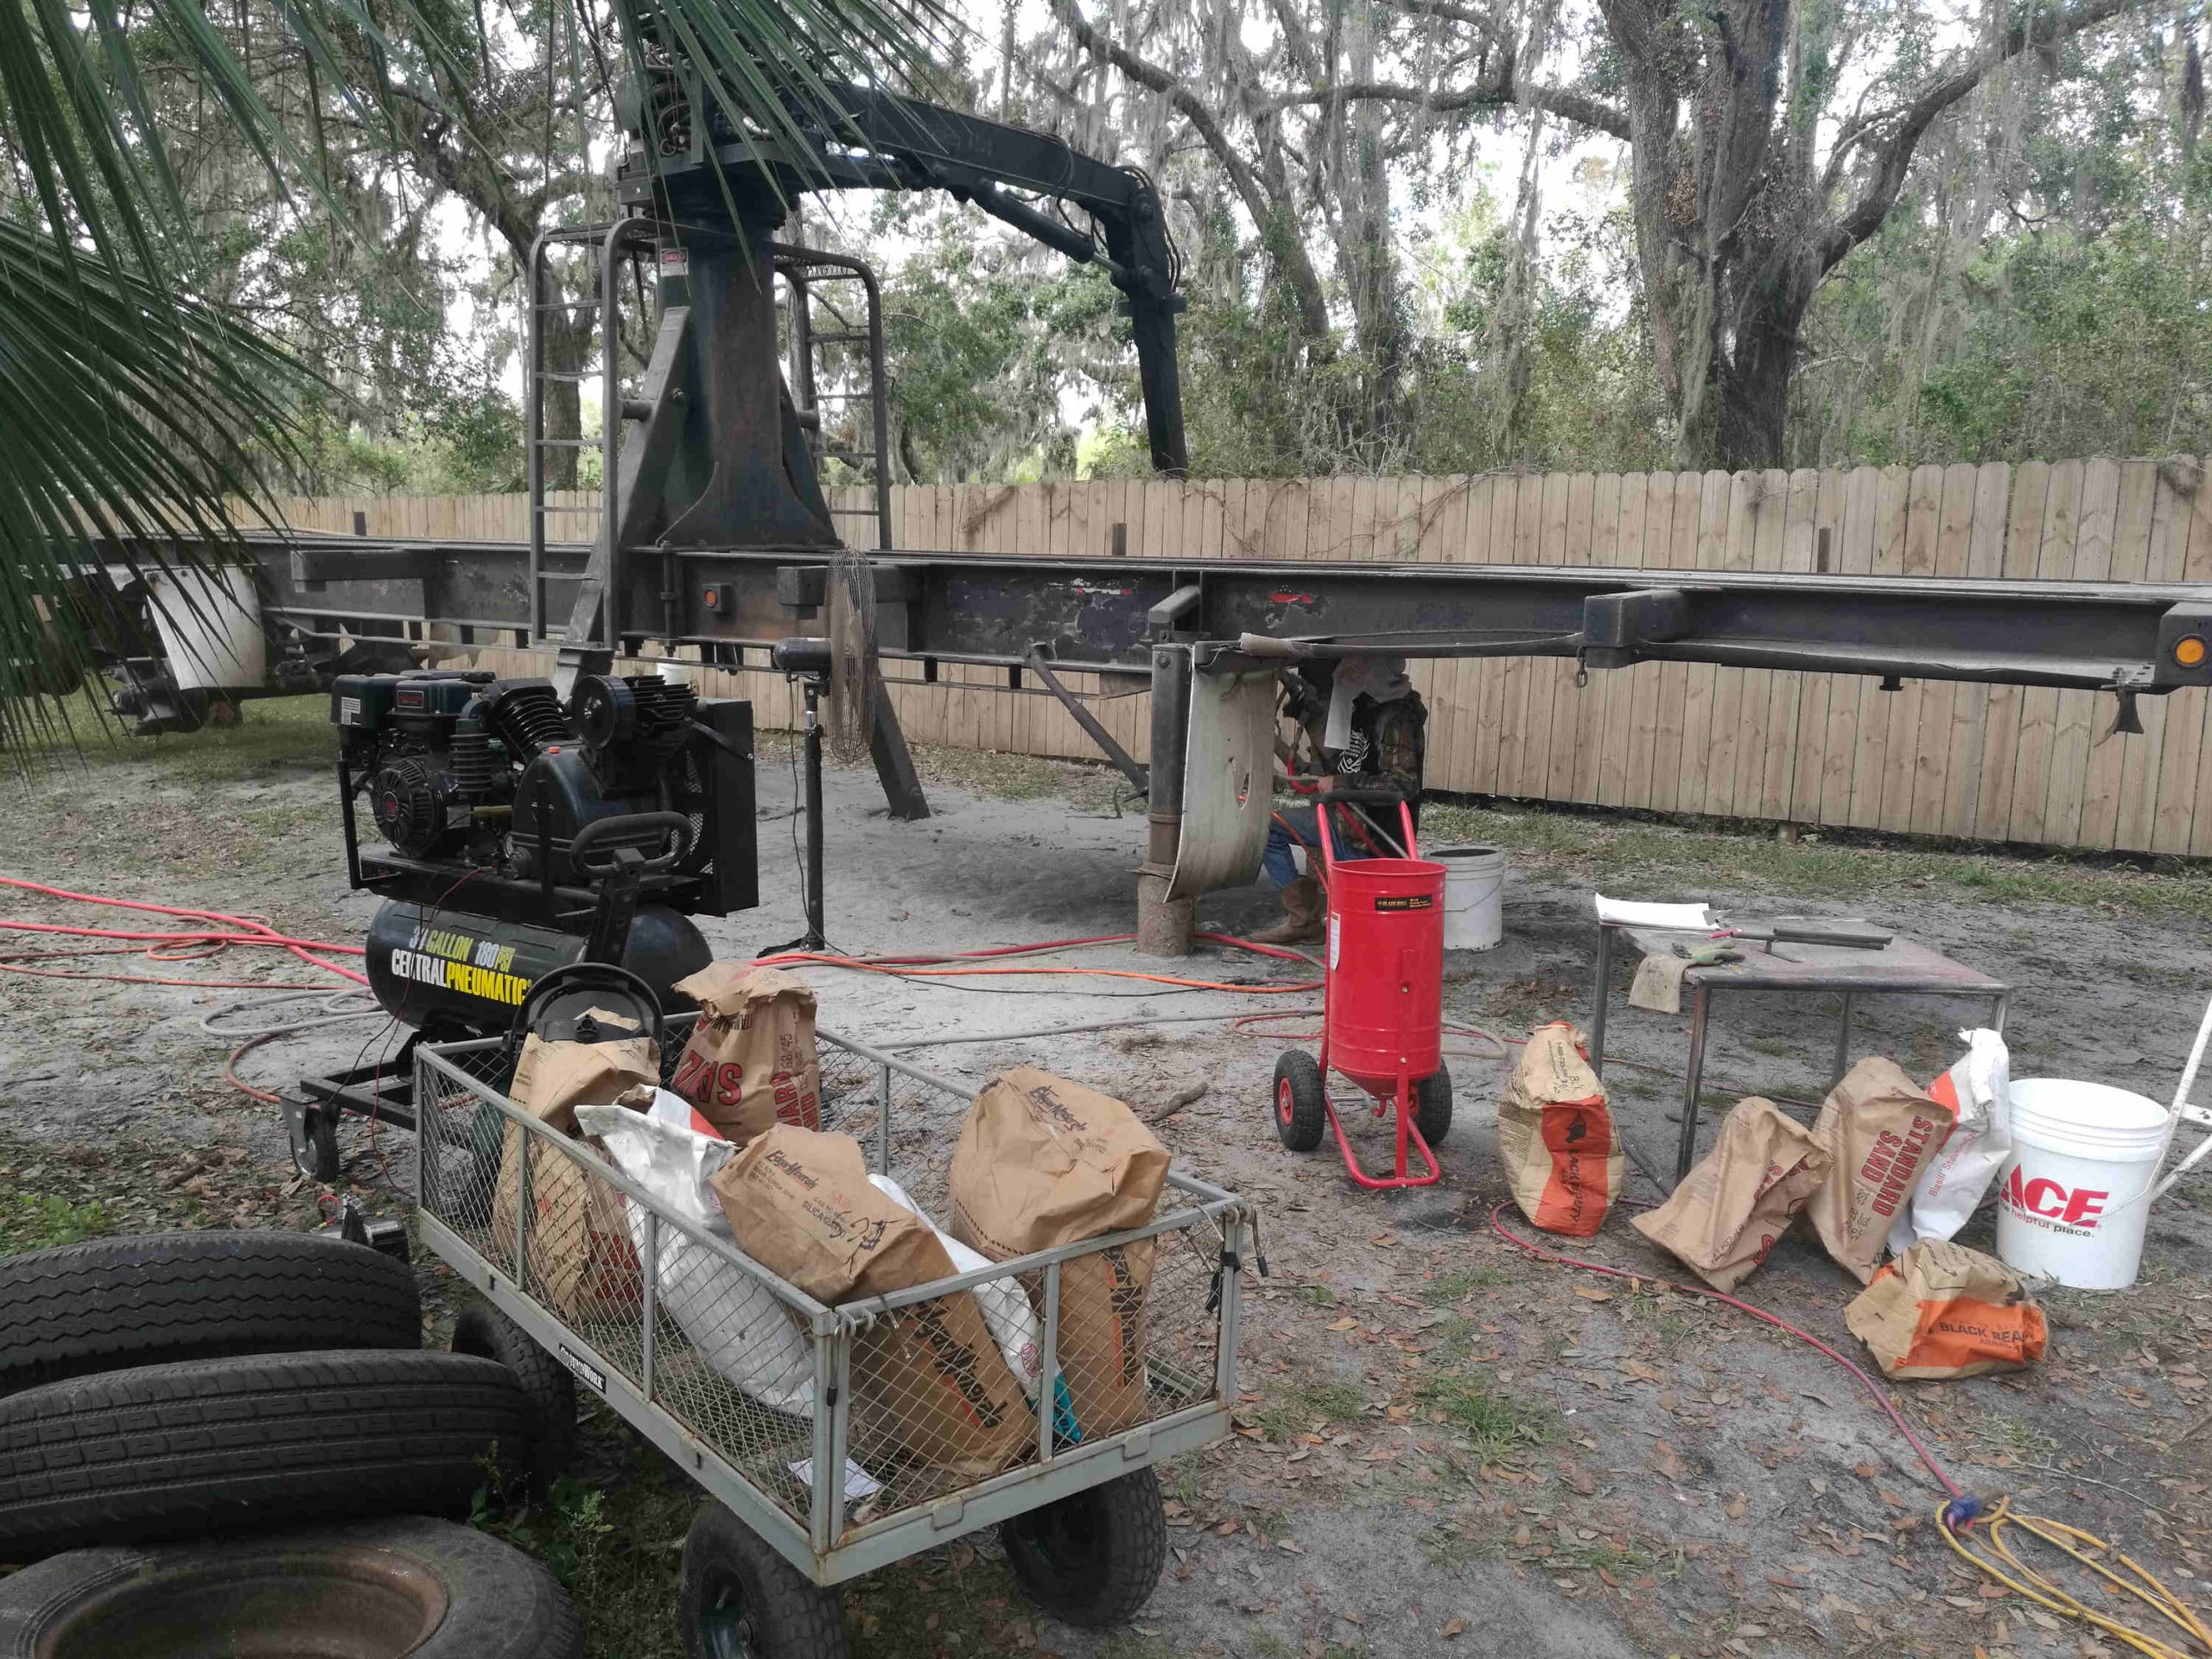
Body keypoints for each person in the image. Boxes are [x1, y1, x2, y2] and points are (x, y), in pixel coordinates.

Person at [1249, 654, 1426, 945]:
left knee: (1368, 939)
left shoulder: (1397, 717)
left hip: (1374, 839)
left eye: (1353, 670)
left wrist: (1340, 783)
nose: (1343, 677)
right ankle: (1303, 920)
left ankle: (1309, 918)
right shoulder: (1363, 707)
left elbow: (1403, 784)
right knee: (1269, 827)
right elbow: (1346, 762)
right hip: (1345, 820)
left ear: (1373, 672)